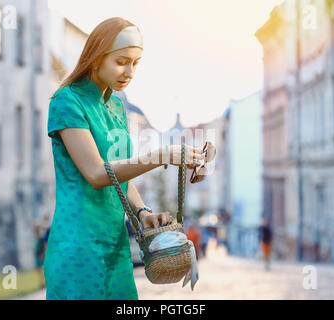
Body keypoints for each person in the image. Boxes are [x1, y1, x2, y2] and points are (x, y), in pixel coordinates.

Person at [44, 17, 206, 300]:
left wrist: (143, 213)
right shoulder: (67, 101)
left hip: (115, 244)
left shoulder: (117, 107)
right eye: (121, 61)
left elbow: (121, 175)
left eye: (136, 63)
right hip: (78, 244)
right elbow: (96, 174)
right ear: (96, 57)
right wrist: (163, 155)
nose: (129, 71)